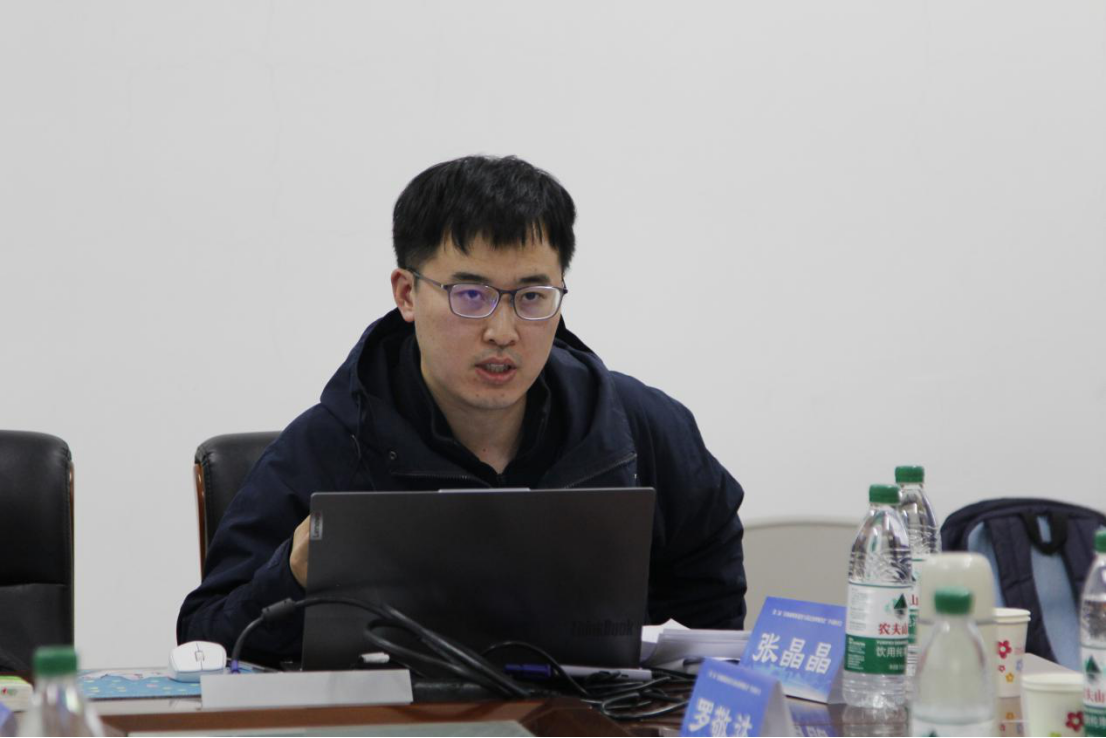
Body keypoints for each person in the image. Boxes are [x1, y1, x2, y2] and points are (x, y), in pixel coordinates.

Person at [177, 155, 747, 665]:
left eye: (532, 297)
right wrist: (293, 574)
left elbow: (711, 598)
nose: (502, 331)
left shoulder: (633, 425)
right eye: (470, 295)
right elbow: (205, 638)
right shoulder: (330, 444)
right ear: (407, 294)